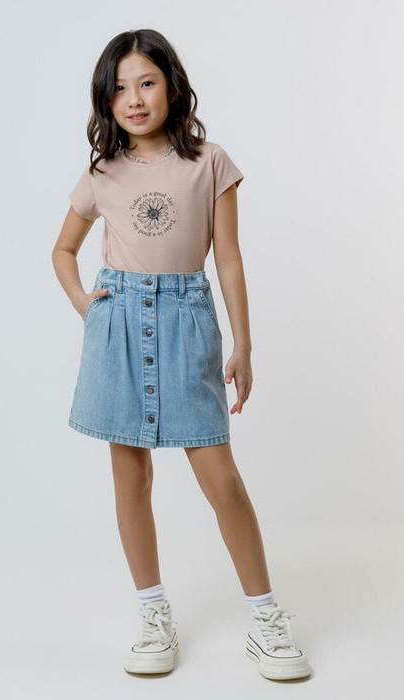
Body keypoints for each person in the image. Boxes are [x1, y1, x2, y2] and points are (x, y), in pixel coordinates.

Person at [51, 28, 311, 681]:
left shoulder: (210, 163)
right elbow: (62, 249)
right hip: (118, 326)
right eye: (119, 89)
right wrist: (85, 303)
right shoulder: (102, 172)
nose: (134, 99)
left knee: (221, 479)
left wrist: (243, 342)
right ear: (105, 101)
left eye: (146, 82)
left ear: (171, 85)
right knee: (131, 478)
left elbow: (228, 258)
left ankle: (266, 618)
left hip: (186, 320)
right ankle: (152, 614)